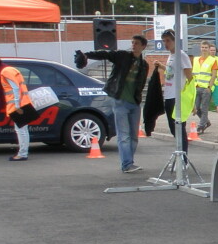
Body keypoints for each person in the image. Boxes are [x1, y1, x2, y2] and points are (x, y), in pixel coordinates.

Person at [78, 35, 149, 173]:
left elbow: (140, 84)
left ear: (143, 46)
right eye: (132, 43)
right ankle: (126, 164)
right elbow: (106, 54)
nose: (133, 45)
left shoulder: (144, 65)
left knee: (134, 135)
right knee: (124, 134)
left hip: (134, 102)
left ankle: (130, 162)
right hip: (120, 100)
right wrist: (86, 55)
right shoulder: (123, 56)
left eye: (137, 43)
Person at [155, 29, 193, 153]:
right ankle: (180, 154)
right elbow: (172, 72)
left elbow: (189, 77)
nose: (166, 43)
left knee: (179, 129)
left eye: (168, 41)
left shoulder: (181, 55)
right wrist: (162, 67)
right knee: (173, 128)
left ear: (175, 41)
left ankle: (183, 158)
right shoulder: (171, 55)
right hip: (169, 95)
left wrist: (191, 100)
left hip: (178, 97)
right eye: (164, 41)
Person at [0, 53, 35, 161]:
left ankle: (22, 154)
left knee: (21, 130)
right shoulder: (9, 69)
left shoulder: (4, 71)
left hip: (18, 105)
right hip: (22, 102)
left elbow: (15, 88)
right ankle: (23, 152)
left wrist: (17, 105)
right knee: (22, 129)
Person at [192, 40, 218, 133]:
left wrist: (209, 87)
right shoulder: (195, 60)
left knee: (204, 107)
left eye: (206, 47)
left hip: (206, 88)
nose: (204, 49)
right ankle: (206, 122)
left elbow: (214, 75)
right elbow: (193, 74)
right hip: (196, 87)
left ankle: (201, 126)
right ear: (200, 48)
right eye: (202, 47)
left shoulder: (212, 60)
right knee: (197, 108)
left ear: (208, 49)